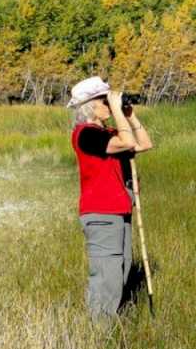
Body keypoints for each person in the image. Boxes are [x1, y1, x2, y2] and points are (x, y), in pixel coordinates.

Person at [67, 76, 153, 320]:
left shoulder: (106, 134)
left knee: (121, 270)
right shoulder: (85, 134)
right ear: (90, 105)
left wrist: (129, 115)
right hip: (101, 213)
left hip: (118, 211)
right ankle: (99, 329)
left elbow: (144, 144)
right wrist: (117, 111)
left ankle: (110, 321)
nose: (108, 104)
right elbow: (126, 142)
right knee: (107, 275)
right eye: (104, 101)